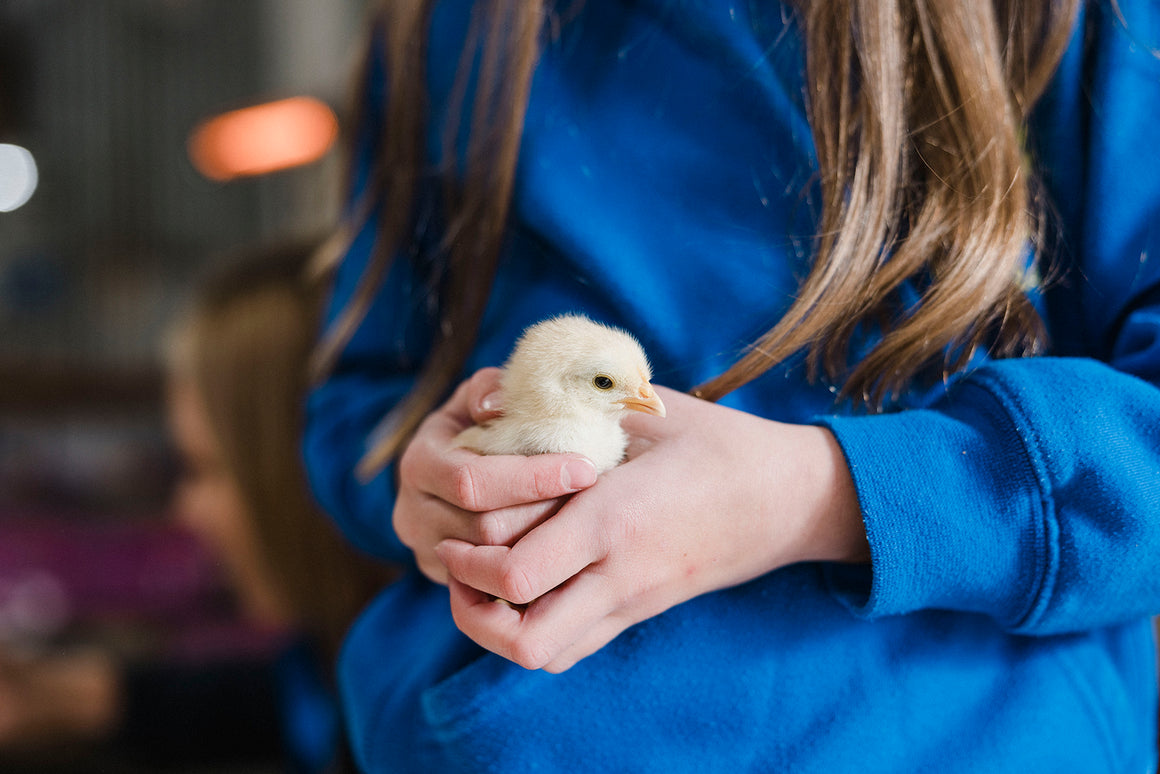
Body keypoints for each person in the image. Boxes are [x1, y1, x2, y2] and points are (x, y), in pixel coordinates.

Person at [304, 1, 1160, 771]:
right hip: (522, 737)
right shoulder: (452, 26)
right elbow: (361, 407)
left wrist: (816, 494)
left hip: (957, 733)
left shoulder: (1081, 23)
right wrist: (436, 493)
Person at [0, 239, 391, 773]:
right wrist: (56, 696)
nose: (185, 510)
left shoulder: (423, 726)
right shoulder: (345, 659)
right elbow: (271, 701)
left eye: (205, 469)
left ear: (301, 473)